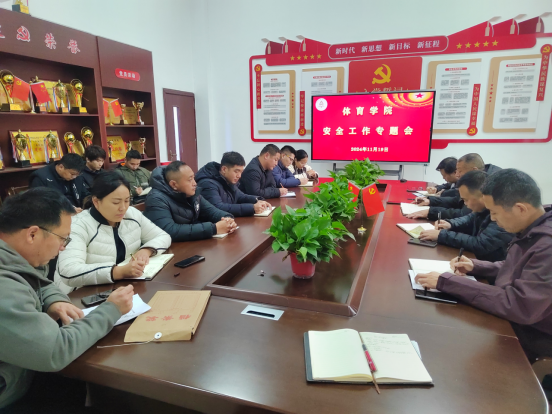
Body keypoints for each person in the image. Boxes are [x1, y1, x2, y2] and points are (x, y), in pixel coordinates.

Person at [0, 187, 134, 411]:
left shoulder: (14, 254)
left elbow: (37, 281)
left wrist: (54, 300)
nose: (63, 247)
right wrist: (111, 309)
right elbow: (55, 350)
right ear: (32, 234)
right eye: (63, 238)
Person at [415, 169, 552, 362]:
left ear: (520, 208)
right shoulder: (535, 225)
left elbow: (520, 306)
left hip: (534, 332)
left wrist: (448, 282)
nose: (493, 219)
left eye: (494, 212)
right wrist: (477, 266)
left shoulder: (547, 245)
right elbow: (517, 266)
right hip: (517, 316)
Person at [55, 172, 171, 292]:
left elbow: (163, 236)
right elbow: (68, 271)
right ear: (96, 201)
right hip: (80, 293)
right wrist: (118, 272)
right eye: (116, 202)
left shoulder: (131, 214)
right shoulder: (78, 225)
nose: (123, 208)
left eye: (127, 201)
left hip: (121, 286)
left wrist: (146, 250)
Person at [418, 170, 513, 262]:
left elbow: (481, 244)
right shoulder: (483, 209)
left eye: (466, 200)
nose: (465, 203)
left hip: (487, 266)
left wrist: (442, 235)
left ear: (482, 196)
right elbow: (469, 218)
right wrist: (450, 224)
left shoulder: (501, 214)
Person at [144, 161, 237, 242]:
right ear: (173, 184)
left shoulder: (192, 193)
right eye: (190, 180)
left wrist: (228, 219)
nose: (195, 183)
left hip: (192, 243)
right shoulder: (156, 198)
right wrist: (213, 228)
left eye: (193, 178)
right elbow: (169, 230)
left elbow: (213, 211)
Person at [408, 153, 501, 221]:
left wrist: (431, 212)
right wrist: (430, 201)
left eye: (459, 171)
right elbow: (457, 200)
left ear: (474, 170)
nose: (456, 175)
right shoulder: (478, 176)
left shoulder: (488, 185)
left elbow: (464, 213)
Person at [195, 151, 272, 217]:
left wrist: (258, 200)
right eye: (236, 171)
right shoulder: (208, 184)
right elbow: (219, 207)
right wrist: (252, 208)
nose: (239, 176)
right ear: (224, 169)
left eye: (241, 172)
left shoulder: (227, 179)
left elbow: (240, 196)